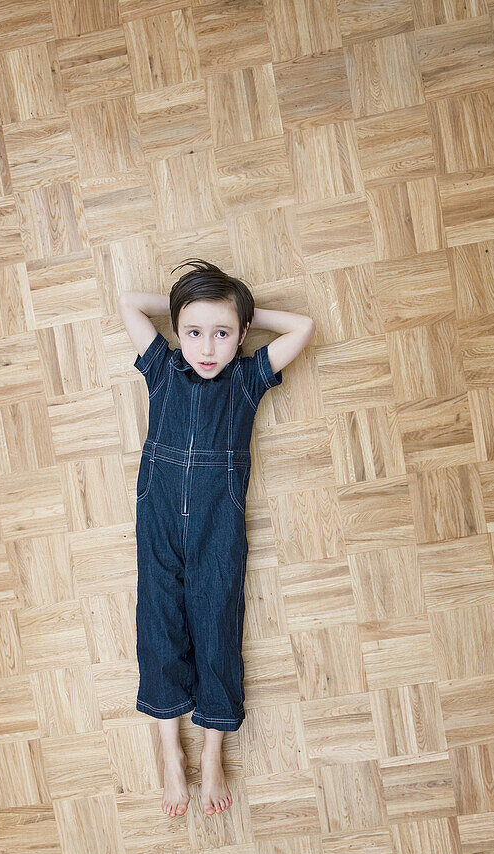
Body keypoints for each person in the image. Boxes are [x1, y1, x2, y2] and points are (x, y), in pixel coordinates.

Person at [118, 259, 315, 817]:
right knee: (159, 630)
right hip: (157, 523)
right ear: (177, 331)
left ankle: (210, 755)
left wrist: (240, 307)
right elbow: (130, 302)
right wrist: (187, 307)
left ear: (243, 334)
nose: (207, 347)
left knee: (217, 628)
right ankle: (169, 755)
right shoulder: (162, 368)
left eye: (223, 333)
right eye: (194, 332)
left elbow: (302, 327)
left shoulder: (248, 379)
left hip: (217, 531)